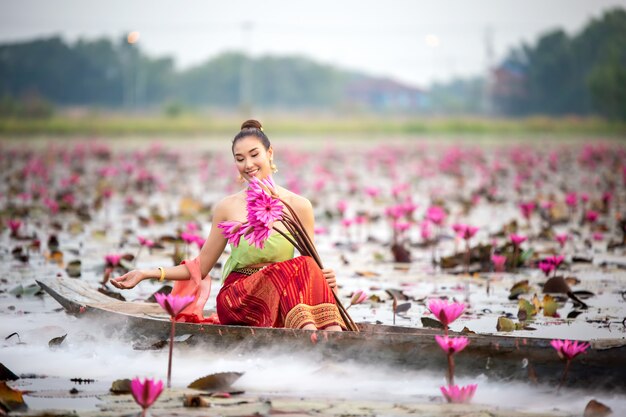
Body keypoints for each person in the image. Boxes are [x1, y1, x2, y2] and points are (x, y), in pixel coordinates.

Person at [111, 120, 346, 331]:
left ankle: (330, 337)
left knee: (306, 266)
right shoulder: (227, 207)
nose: (248, 164)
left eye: (255, 155)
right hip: (238, 299)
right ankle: (313, 340)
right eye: (240, 158)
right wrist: (147, 273)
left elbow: (311, 268)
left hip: (283, 299)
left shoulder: (299, 205)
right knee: (298, 267)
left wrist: (327, 279)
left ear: (270, 154)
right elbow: (200, 268)